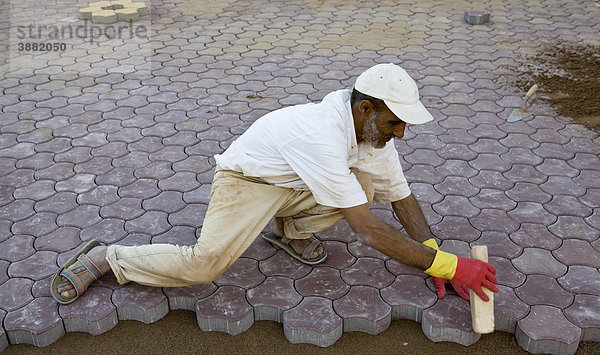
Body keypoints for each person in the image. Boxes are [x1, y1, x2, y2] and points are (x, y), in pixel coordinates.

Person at [51, 63, 498, 306]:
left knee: (368, 187)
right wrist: (450, 268)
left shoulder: (371, 132)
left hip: (294, 182)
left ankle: (288, 232)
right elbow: (368, 230)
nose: (400, 133)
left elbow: (400, 195)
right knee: (204, 265)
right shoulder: (321, 133)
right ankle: (109, 259)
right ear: (365, 109)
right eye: (395, 123)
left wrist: (435, 251)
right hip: (247, 182)